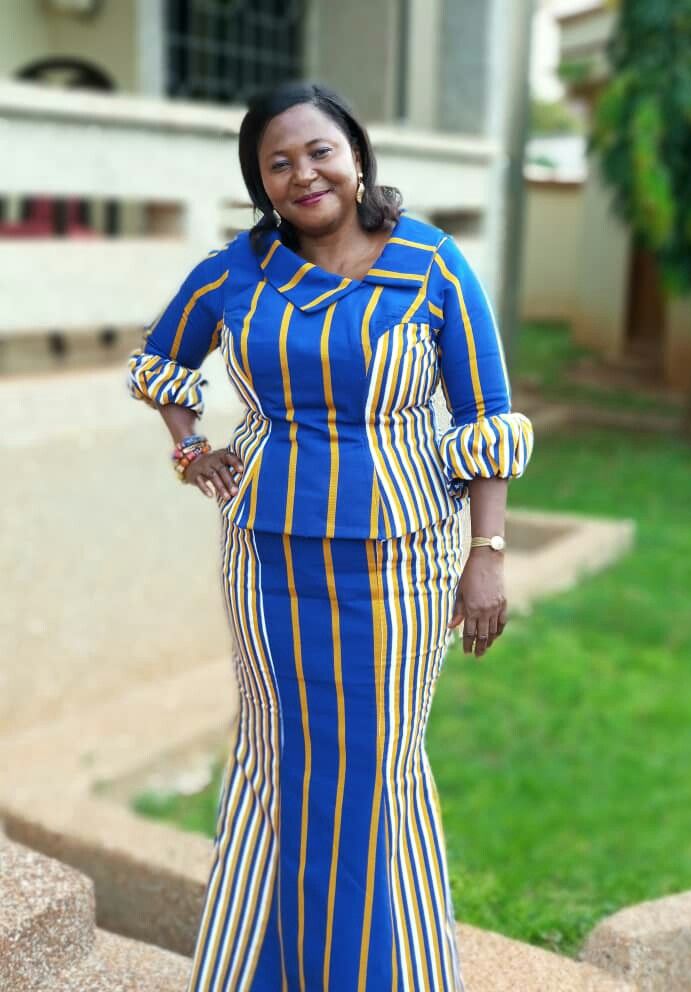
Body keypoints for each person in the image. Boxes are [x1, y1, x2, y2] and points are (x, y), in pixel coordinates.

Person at [127, 80, 534, 992]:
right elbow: (161, 360)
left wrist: (487, 554)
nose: (303, 173)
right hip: (268, 562)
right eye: (278, 163)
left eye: (319, 151)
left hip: (402, 561)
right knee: (278, 755)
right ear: (261, 183)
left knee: (379, 764)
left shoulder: (431, 264)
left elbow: (485, 414)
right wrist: (191, 450)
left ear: (355, 155)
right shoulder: (237, 272)